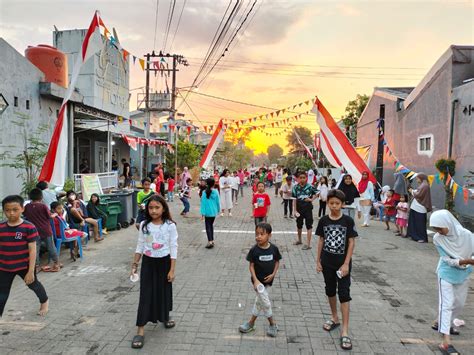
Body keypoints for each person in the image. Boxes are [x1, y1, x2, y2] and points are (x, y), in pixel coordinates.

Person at [130, 195, 178, 349]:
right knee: (146, 294)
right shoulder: (144, 225)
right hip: (149, 264)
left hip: (164, 263)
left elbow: (173, 247)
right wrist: (135, 264)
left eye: (157, 207)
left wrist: (172, 269)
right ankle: (140, 330)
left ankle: (164, 317)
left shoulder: (170, 225)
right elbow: (140, 245)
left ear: (163, 208)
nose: (154, 210)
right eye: (151, 207)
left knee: (163, 291)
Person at [316, 189, 357, 351]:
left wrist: (346, 264)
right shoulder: (323, 220)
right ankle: (334, 317)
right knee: (330, 290)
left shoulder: (347, 221)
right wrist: (318, 261)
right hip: (327, 263)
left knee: (344, 294)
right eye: (331, 203)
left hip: (342, 265)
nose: (334, 206)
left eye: (337, 204)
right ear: (327, 204)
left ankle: (345, 330)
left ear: (342, 204)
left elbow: (352, 243)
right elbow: (321, 240)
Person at [429, 210, 474, 355]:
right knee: (446, 304)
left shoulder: (466, 235)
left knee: (459, 304)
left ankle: (442, 322)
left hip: (464, 273)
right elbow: (447, 259)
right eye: (435, 229)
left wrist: (469, 260)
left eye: (440, 228)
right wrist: (466, 261)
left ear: (448, 223)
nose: (439, 232)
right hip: (446, 273)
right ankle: (445, 340)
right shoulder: (438, 238)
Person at [0, 195, 49, 317]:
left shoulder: (28, 227)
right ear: (3, 210)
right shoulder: (1, 227)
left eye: (15, 209)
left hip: (24, 266)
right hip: (4, 267)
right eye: (7, 210)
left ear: (22, 209)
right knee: (2, 293)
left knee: (33, 285)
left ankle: (44, 301)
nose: (11, 213)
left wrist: (31, 271)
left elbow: (33, 250)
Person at [239, 222, 281, 337]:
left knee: (259, 302)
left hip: (268, 282)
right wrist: (256, 280)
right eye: (257, 234)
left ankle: (251, 323)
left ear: (269, 235)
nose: (258, 236)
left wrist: (273, 274)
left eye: (262, 234)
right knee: (266, 303)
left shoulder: (274, 249)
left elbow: (277, 261)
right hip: (258, 283)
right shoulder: (254, 250)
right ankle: (273, 324)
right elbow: (251, 266)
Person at [23, 188, 60, 273]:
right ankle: (56, 264)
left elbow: (24, 215)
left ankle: (36, 266)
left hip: (33, 231)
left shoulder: (27, 207)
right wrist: (55, 214)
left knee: (35, 249)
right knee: (51, 247)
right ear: (41, 197)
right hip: (46, 230)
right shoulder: (43, 206)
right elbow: (49, 216)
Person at [292, 171, 318, 250]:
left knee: (309, 225)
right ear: (298, 179)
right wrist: (295, 210)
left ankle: (308, 244)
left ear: (306, 178)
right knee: (299, 225)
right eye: (300, 178)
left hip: (308, 208)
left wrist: (311, 199)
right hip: (299, 208)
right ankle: (299, 240)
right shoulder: (295, 187)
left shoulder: (310, 186)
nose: (302, 179)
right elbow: (294, 200)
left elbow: (317, 193)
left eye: (304, 178)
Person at [407, 173, 432, 243]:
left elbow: (419, 195)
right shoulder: (423, 185)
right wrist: (413, 191)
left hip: (420, 207)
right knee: (414, 222)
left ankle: (421, 237)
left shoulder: (425, 185)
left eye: (418, 178)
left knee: (419, 223)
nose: (417, 179)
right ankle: (414, 236)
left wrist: (412, 191)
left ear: (421, 178)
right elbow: (419, 192)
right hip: (416, 207)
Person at [200, 178, 221, 249]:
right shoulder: (216, 192)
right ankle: (212, 240)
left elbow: (203, 203)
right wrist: (218, 210)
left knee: (208, 226)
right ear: (213, 184)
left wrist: (202, 213)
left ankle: (210, 241)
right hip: (214, 211)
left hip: (207, 212)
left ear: (207, 183)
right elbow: (218, 202)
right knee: (211, 225)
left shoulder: (204, 192)